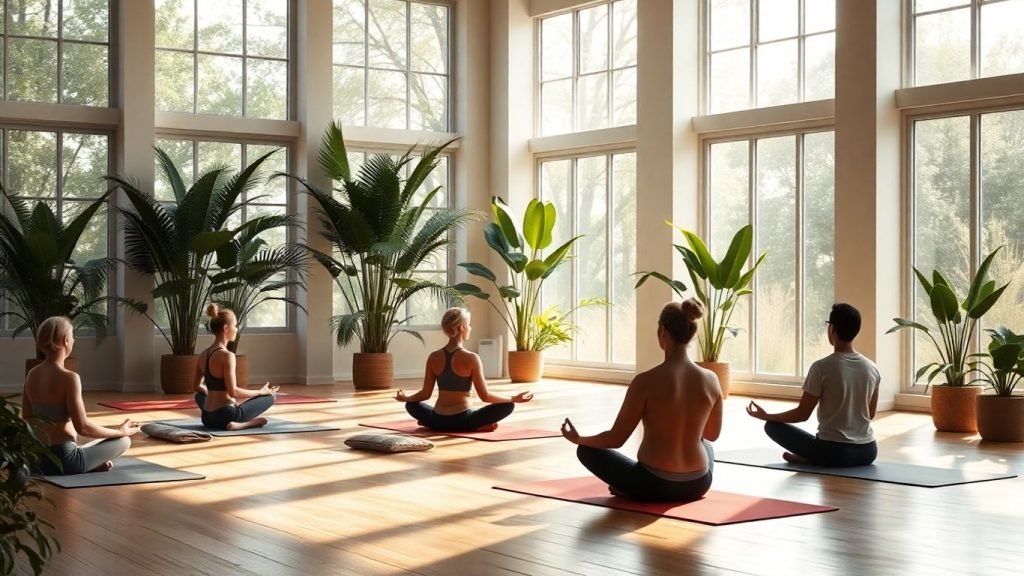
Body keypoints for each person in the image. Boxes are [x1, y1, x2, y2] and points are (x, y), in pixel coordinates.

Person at [561, 299, 723, 502]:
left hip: (652, 485)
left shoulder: (645, 381)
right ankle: (641, 487)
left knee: (586, 451)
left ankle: (632, 489)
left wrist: (579, 439)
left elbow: (616, 439)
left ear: (662, 331)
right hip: (698, 484)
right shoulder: (712, 379)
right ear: (690, 333)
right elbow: (711, 435)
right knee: (706, 446)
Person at [746, 302, 880, 467]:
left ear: (832, 329)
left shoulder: (821, 367)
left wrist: (767, 416)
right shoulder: (872, 368)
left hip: (835, 452)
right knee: (823, 446)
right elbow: (870, 414)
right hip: (868, 452)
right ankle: (812, 458)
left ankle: (812, 458)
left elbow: (802, 414)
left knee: (772, 427)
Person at [22, 317, 138, 475]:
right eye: (73, 336)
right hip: (66, 461)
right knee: (124, 441)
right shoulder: (69, 378)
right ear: (66, 340)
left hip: (36, 460)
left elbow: (27, 418)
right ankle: (89, 464)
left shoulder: (31, 375)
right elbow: (83, 427)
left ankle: (91, 462)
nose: (74, 340)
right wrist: (120, 432)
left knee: (94, 444)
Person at [395, 307, 533, 432]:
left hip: (437, 419)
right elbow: (485, 396)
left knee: (411, 405)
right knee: (508, 405)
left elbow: (425, 394)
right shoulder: (472, 358)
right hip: (464, 420)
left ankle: (430, 423)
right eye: (469, 324)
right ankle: (475, 426)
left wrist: (407, 398)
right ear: (461, 328)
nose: (470, 328)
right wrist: (513, 398)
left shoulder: (433, 357)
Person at [193, 304, 278, 430]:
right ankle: (242, 424)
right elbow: (233, 391)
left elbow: (197, 386)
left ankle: (227, 417)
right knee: (271, 396)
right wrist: (261, 392)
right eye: (235, 325)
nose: (237, 329)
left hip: (207, 418)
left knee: (199, 395)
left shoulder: (202, 355)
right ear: (226, 328)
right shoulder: (228, 356)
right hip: (226, 416)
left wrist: (211, 395)